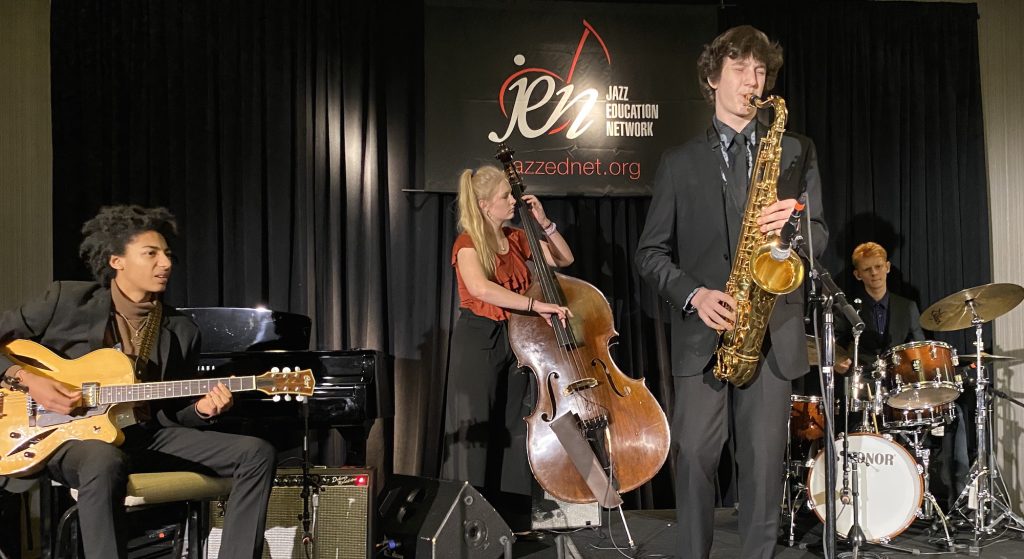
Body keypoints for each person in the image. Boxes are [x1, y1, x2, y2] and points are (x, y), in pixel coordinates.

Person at [635, 26, 828, 559]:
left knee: (765, 470)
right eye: (741, 69)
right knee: (695, 458)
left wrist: (793, 230)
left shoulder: (796, 149)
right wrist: (695, 295)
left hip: (773, 332)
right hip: (705, 332)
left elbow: (822, 233)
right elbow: (649, 253)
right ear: (712, 78)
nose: (754, 79)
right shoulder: (678, 162)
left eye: (761, 71)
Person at [0, 205, 275, 559]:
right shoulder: (66, 301)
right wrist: (26, 379)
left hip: (145, 436)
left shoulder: (181, 331)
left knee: (256, 453)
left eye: (167, 255)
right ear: (117, 261)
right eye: (151, 254)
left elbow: (173, 415)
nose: (165, 263)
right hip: (65, 439)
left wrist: (203, 410)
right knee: (104, 458)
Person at [441, 166, 573, 516]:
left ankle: (513, 518)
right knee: (482, 433)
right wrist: (535, 305)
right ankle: (476, 522)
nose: (513, 201)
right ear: (485, 205)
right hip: (479, 338)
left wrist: (544, 223)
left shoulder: (516, 238)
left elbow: (564, 258)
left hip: (514, 337)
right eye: (506, 197)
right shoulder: (467, 242)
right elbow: (482, 289)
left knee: (515, 428)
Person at [836, 241, 925, 372]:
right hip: (860, 382)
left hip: (899, 381)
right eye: (867, 269)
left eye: (878, 266)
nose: (874, 273)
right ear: (858, 275)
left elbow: (920, 347)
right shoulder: (847, 308)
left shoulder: (907, 307)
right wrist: (838, 359)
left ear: (887, 267)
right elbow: (834, 345)